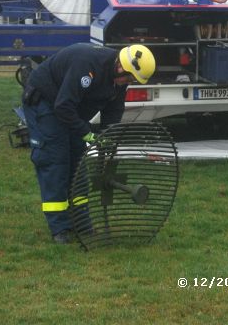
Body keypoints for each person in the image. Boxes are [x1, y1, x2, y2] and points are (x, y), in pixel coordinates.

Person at [21, 43, 156, 243]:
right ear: (120, 65)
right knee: (56, 162)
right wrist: (87, 134)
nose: (128, 82)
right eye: (129, 78)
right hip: (46, 103)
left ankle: (81, 222)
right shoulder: (86, 65)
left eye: (133, 80)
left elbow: (114, 109)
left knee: (78, 165)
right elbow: (63, 105)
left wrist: (108, 135)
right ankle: (60, 228)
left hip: (71, 110)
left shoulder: (120, 78)